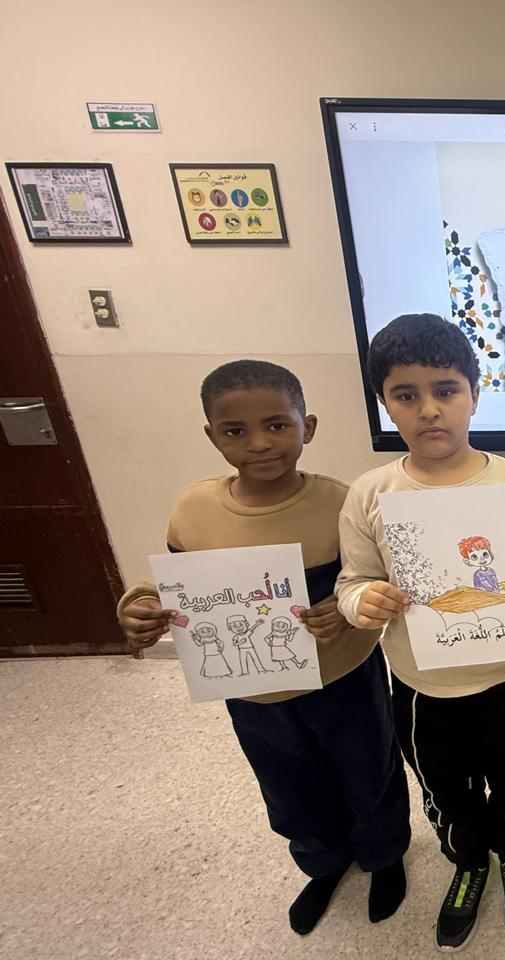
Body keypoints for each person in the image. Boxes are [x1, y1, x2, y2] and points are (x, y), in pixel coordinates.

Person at [116, 360, 410, 936]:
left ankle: (384, 856)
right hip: (252, 691)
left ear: (308, 427)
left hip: (343, 677)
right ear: (212, 436)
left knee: (369, 768)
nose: (258, 443)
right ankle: (322, 862)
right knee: (286, 782)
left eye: (277, 425)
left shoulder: (342, 503)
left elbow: (373, 582)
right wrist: (142, 605)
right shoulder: (194, 511)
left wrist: (345, 611)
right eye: (235, 431)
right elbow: (175, 588)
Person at [335, 313, 505, 952]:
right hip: (424, 688)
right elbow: (351, 583)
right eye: (405, 395)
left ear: (475, 393)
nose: (428, 410)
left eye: (445, 390)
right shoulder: (371, 493)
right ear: (384, 402)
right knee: (445, 790)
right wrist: (364, 601)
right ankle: (469, 861)